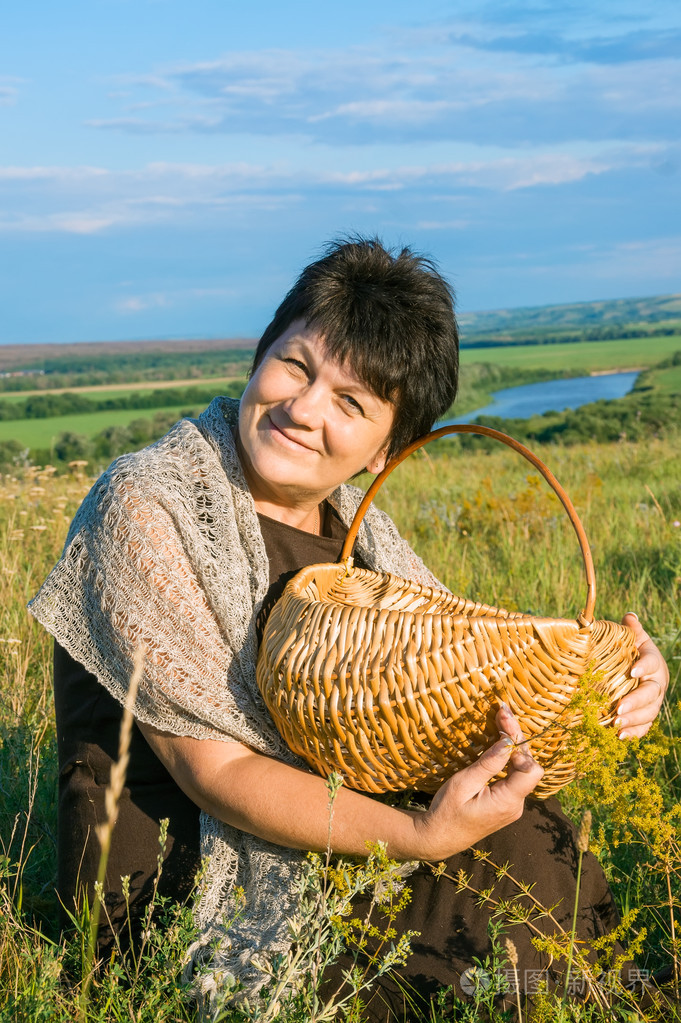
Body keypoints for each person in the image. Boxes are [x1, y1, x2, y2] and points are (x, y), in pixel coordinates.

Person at [29, 237, 668, 1020]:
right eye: (295, 366)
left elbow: (472, 685)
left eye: (350, 402)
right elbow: (217, 773)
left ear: (388, 447)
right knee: (476, 898)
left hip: (340, 825)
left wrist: (622, 678)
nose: (303, 409)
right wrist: (422, 834)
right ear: (260, 353)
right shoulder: (146, 504)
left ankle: (604, 1000)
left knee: (523, 833)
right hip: (179, 870)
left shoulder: (363, 538)